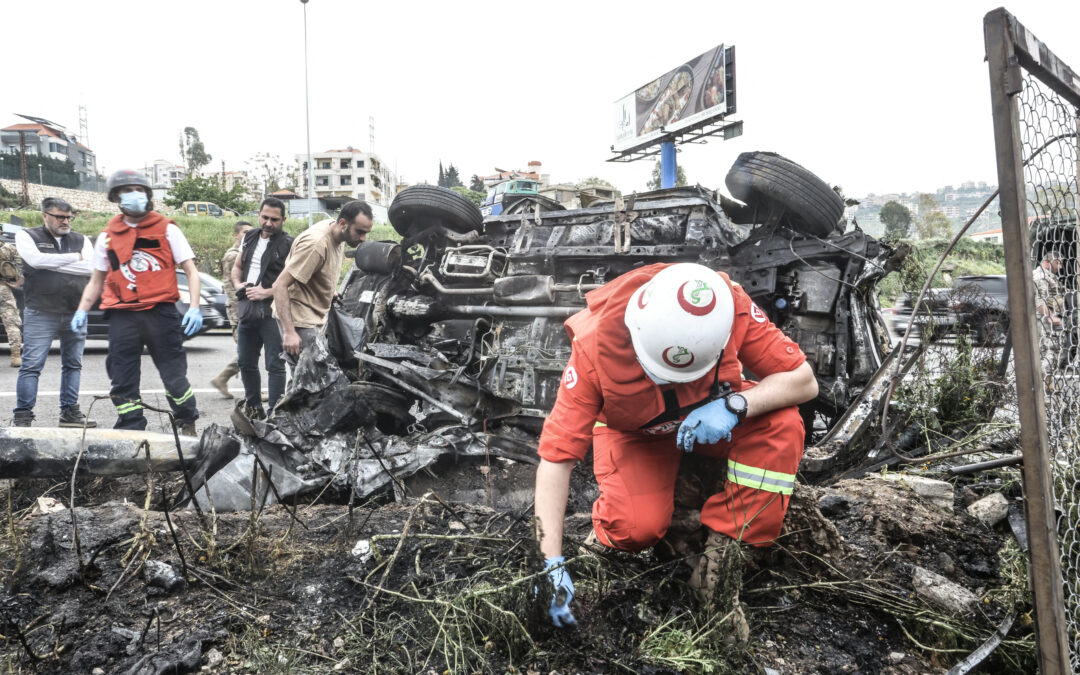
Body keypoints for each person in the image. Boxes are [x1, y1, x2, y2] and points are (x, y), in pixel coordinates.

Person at [534, 263, 818, 629]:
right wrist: (549, 564)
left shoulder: (728, 306)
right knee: (634, 529)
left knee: (782, 424)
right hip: (637, 436)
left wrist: (735, 406)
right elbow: (556, 458)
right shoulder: (593, 346)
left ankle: (717, 570)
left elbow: (803, 380)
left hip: (712, 424)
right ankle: (607, 536)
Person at [71, 169, 203, 436]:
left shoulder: (167, 229)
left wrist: (194, 307)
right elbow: (96, 280)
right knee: (122, 377)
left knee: (174, 375)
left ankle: (186, 421)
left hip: (160, 313)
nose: (135, 195)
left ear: (148, 195)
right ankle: (132, 429)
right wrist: (81, 310)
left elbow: (191, 271)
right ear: (116, 197)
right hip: (123, 315)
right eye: (127, 190)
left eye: (139, 190)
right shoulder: (108, 236)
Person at [11, 198, 95, 428]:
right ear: (45, 215)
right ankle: (23, 416)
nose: (65, 221)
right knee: (31, 365)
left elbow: (90, 267)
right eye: (59, 217)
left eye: (68, 217)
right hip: (41, 311)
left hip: (75, 311)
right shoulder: (27, 235)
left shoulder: (81, 239)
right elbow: (35, 261)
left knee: (73, 364)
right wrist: (75, 258)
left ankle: (69, 412)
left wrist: (50, 264)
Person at [273, 200, 372, 361]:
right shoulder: (316, 244)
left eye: (366, 232)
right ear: (343, 223)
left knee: (304, 373)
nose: (363, 238)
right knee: (316, 373)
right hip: (299, 319)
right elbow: (279, 285)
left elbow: (317, 269)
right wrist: (289, 332)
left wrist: (329, 290)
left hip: (313, 315)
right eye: (360, 232)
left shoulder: (337, 233)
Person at [231, 199, 294, 418]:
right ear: (259, 214)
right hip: (248, 310)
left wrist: (266, 292)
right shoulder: (249, 237)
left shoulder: (289, 244)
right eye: (265, 217)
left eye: (274, 219)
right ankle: (254, 409)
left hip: (273, 312)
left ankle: (274, 414)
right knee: (245, 362)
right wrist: (238, 285)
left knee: (275, 365)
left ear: (283, 220)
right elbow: (237, 266)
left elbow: (294, 281)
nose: (268, 223)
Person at [209, 220, 253, 398]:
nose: (248, 236)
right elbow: (231, 287)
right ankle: (225, 379)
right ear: (236, 235)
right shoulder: (232, 256)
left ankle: (225, 379)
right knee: (247, 350)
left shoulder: (244, 253)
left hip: (244, 308)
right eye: (245, 232)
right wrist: (243, 308)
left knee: (249, 350)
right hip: (238, 309)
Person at [1033, 247, 1067, 371]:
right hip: (1045, 320)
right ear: (1048, 262)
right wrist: (1050, 316)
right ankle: (1045, 378)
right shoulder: (1041, 276)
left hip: (1050, 318)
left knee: (1052, 351)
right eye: (1058, 263)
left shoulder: (1048, 276)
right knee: (1049, 351)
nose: (1061, 267)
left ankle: (1048, 378)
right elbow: (1039, 299)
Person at [0, 241, 22, 368]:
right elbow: (24, 264)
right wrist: (18, 282)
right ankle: (16, 357)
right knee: (11, 324)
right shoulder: (8, 247)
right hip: (3, 290)